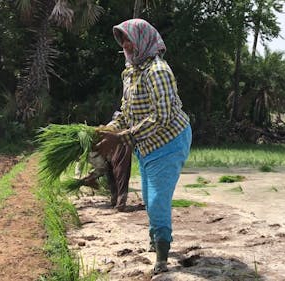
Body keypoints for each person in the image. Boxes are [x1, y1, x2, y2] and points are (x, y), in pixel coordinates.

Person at [94, 18, 192, 275]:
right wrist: (108, 128)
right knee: (149, 200)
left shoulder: (158, 71)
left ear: (143, 40)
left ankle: (161, 255)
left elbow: (162, 117)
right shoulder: (130, 72)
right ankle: (156, 236)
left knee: (158, 200)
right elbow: (126, 112)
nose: (125, 44)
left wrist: (122, 137)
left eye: (129, 38)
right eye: (122, 39)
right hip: (146, 144)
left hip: (169, 141)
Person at [80, 129, 132, 212]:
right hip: (110, 149)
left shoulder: (88, 150)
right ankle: (115, 199)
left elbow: (102, 167)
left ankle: (121, 203)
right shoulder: (84, 150)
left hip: (119, 144)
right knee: (111, 175)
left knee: (121, 174)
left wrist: (91, 177)